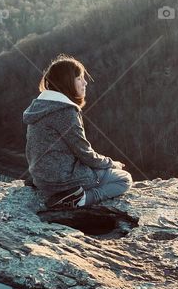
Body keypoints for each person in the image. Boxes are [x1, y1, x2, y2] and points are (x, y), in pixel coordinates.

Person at [22, 54, 132, 209]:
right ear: (67, 82)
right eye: (80, 78)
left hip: (40, 178)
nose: (85, 82)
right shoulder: (65, 111)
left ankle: (70, 192)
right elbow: (84, 153)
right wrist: (110, 163)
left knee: (101, 171)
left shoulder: (40, 106)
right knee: (124, 179)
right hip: (63, 180)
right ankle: (82, 199)